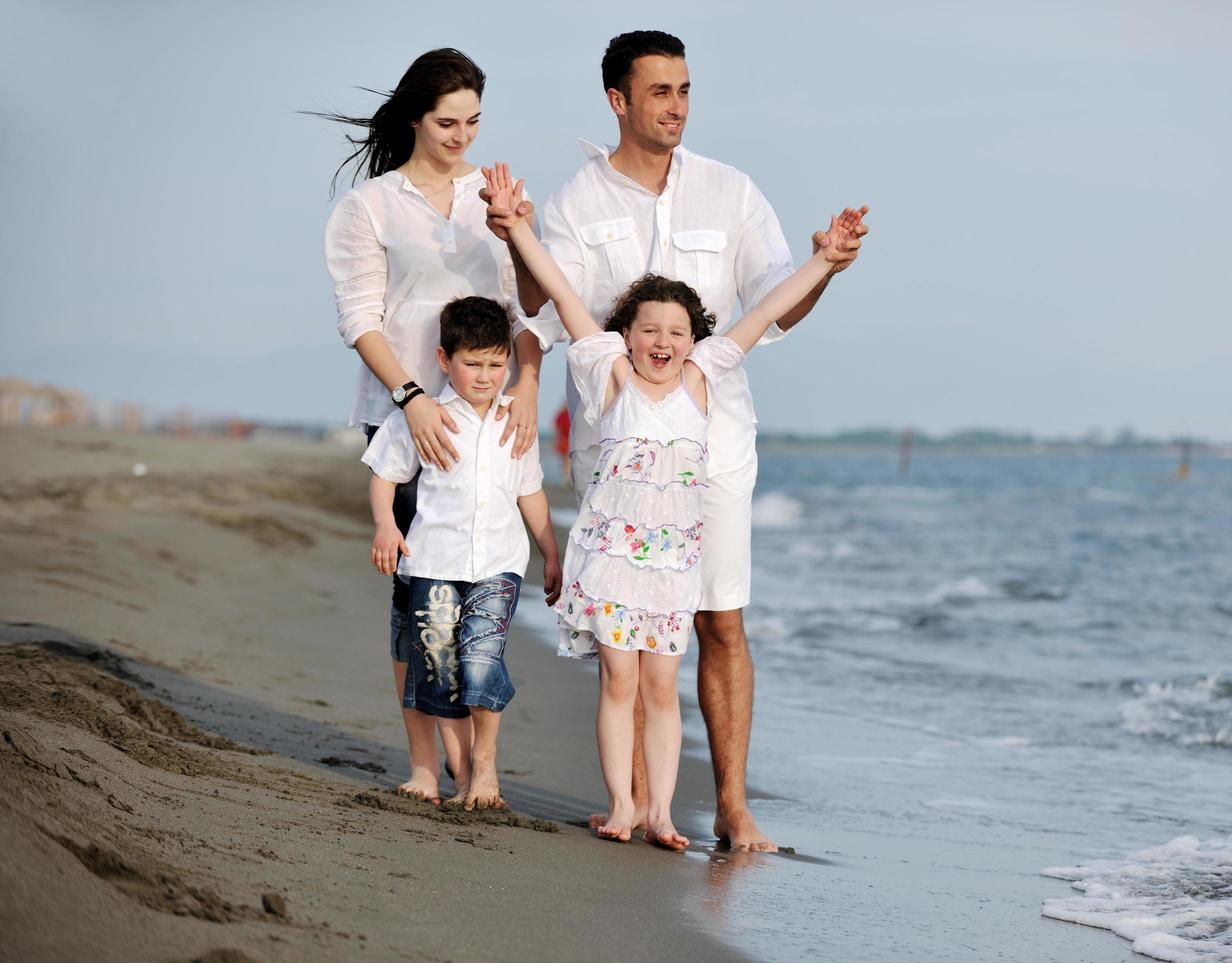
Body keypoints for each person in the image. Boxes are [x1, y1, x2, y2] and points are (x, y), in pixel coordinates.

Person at [496, 30, 869, 851]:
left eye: (686, 90)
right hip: (614, 442)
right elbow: (547, 304)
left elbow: (775, 306)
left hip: (714, 433)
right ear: (618, 100)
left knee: (721, 620)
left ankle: (732, 808)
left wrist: (826, 264)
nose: (676, 107)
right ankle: (635, 801)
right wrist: (513, 238)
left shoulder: (732, 192)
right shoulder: (575, 203)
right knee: (626, 644)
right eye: (659, 91)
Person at [319, 48, 548, 804]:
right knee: (416, 594)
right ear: (415, 117)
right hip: (403, 412)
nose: (462, 136)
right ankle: (431, 753)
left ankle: (472, 755)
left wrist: (527, 387)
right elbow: (360, 317)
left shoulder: (497, 194)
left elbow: (529, 310)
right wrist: (413, 396)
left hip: (489, 409)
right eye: (447, 122)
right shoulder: (371, 206)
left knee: (479, 580)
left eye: (474, 121)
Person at [362, 296, 562, 810]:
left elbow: (530, 492)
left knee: (479, 661)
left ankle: (486, 768)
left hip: (499, 564)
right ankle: (459, 771)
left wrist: (551, 552)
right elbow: (386, 476)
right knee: (442, 669)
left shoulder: (513, 423)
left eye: (497, 364)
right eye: (472, 363)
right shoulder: (422, 417)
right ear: (444, 358)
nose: (485, 376)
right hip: (433, 562)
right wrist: (386, 525)